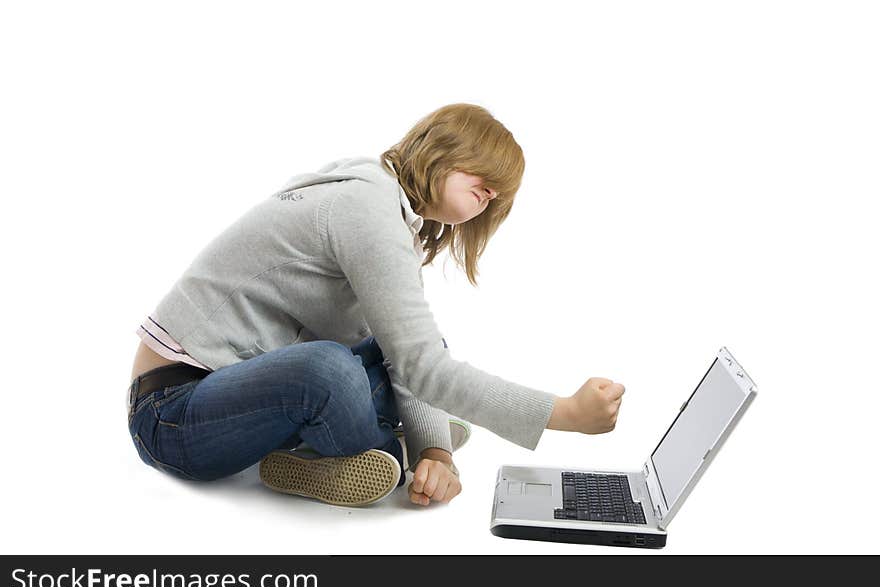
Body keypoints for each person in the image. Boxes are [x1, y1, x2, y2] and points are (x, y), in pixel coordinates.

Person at [127, 103, 625, 508]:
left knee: (396, 351)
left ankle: (381, 449)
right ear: (442, 148)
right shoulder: (365, 207)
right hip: (172, 414)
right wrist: (562, 413)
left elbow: (407, 356)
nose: (491, 195)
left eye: (500, 193)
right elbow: (420, 368)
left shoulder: (388, 218)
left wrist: (439, 454)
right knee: (326, 369)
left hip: (243, 398)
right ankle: (387, 450)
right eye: (485, 174)